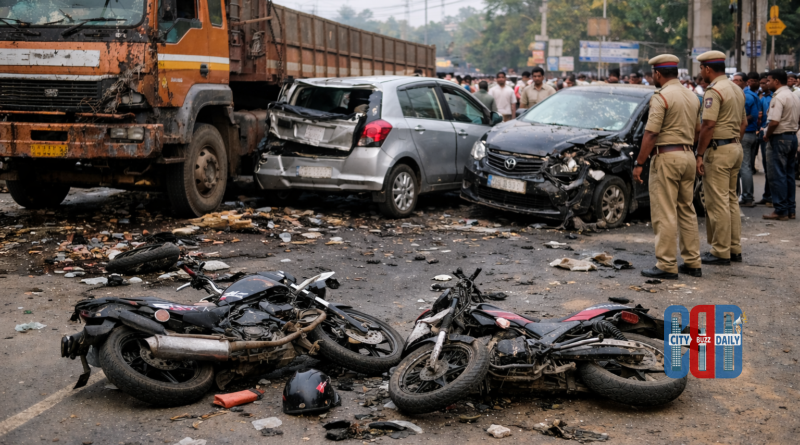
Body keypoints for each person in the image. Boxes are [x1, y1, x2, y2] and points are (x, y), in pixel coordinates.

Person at [633, 54, 702, 280]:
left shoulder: (662, 97)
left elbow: (651, 133)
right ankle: (692, 262)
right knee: (686, 209)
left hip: (666, 157)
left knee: (664, 212)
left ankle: (666, 264)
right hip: (687, 155)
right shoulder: (692, 96)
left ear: (658, 74)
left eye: (653, 73)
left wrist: (639, 163)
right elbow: (698, 130)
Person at [694, 50, 747, 266]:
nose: (701, 72)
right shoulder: (736, 89)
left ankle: (720, 251)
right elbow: (743, 123)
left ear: (707, 69)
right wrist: (733, 142)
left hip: (719, 151)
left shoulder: (713, 91)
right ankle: (734, 248)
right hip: (735, 148)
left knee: (717, 202)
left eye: (701, 68)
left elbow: (708, 125)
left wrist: (699, 154)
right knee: (731, 199)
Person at [762, 69, 800, 220]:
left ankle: (780, 210)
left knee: (777, 175)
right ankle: (790, 209)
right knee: (789, 174)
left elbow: (774, 121)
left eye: (769, 80)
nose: (767, 83)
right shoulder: (793, 95)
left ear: (776, 81)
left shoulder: (778, 97)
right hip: (791, 137)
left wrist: (767, 134)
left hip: (779, 138)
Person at [731, 72, 761, 207]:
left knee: (743, 166)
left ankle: (747, 196)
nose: (735, 82)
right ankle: (740, 195)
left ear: (745, 82)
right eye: (734, 80)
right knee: (743, 166)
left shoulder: (746, 96)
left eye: (738, 80)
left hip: (745, 134)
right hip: (750, 134)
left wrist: (738, 121)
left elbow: (753, 115)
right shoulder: (750, 95)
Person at [757, 73, 774, 206]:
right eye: (762, 83)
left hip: (770, 134)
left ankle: (772, 196)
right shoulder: (762, 97)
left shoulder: (774, 97)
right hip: (762, 132)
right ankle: (767, 195)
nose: (764, 85)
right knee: (767, 165)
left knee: (771, 167)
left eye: (766, 82)